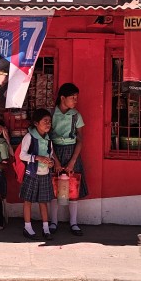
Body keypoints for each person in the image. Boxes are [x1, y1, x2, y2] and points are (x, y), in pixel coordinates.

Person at [50, 82, 88, 236]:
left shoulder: (76, 116)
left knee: (73, 187)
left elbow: (80, 140)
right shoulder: (51, 115)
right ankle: (53, 222)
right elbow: (46, 139)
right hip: (54, 152)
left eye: (76, 98)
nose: (75, 101)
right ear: (62, 98)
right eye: (73, 97)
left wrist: (72, 161)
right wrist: (56, 161)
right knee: (54, 188)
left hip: (73, 153)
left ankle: (74, 223)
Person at [19, 108, 56, 241]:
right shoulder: (29, 137)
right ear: (36, 123)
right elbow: (22, 155)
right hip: (32, 173)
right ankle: (27, 227)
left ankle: (46, 229)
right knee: (28, 201)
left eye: (49, 121)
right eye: (45, 121)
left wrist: (50, 162)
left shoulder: (48, 138)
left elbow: (50, 154)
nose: (48, 124)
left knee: (43, 201)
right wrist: (37, 158)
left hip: (44, 173)